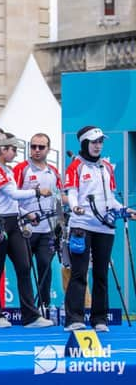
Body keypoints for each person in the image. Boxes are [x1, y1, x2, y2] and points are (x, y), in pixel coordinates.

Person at [63, 126, 136, 332]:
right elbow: (72, 192)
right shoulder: (76, 166)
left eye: (100, 142)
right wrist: (74, 206)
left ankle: (99, 319)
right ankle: (74, 318)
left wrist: (125, 210)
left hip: (105, 227)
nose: (98, 146)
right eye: (94, 142)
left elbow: (110, 198)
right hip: (81, 225)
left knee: (102, 274)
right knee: (79, 273)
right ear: (85, 143)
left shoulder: (106, 167)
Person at [0, 129, 53, 328]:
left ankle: (30, 316)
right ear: (1, 149)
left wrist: (26, 213)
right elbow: (12, 193)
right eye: (12, 149)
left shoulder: (6, 170)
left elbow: (11, 200)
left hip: (13, 221)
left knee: (24, 266)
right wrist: (37, 192)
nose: (15, 153)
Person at [12, 133, 63, 316]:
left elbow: (58, 198)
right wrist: (27, 214)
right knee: (24, 269)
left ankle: (44, 306)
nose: (36, 150)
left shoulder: (53, 171)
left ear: (48, 149)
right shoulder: (21, 169)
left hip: (47, 229)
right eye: (33, 146)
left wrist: (61, 224)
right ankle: (27, 308)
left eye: (41, 147)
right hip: (25, 229)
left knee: (45, 266)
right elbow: (12, 197)